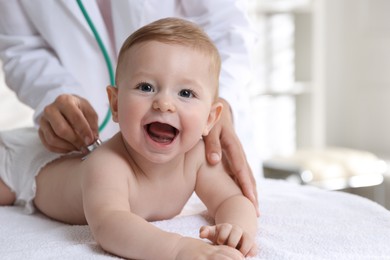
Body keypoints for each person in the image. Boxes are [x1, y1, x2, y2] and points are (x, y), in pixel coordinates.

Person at [0, 18, 258, 259]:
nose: (164, 103)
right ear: (115, 104)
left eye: (186, 93)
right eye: (146, 87)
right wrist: (179, 249)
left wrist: (236, 229)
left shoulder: (196, 158)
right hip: (19, 165)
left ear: (210, 119)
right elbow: (109, 224)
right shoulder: (107, 165)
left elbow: (231, 200)